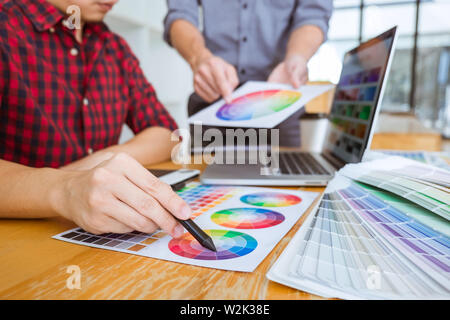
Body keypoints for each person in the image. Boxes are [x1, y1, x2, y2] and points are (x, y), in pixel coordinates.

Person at [0, 0, 192, 238]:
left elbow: (167, 134)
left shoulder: (114, 46)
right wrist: (66, 187)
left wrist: (103, 161)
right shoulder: (5, 26)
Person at [164, 0, 333, 147]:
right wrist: (200, 58)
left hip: (281, 102)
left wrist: (297, 57)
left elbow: (313, 15)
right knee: (204, 180)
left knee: (292, 177)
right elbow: (180, 14)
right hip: (213, 104)